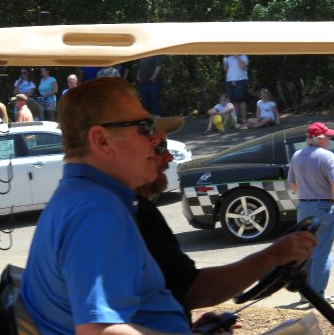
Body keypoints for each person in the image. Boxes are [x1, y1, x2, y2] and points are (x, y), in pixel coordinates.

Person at [20, 78, 194, 335]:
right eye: (145, 127)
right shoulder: (97, 212)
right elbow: (100, 331)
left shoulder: (85, 197)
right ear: (101, 140)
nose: (157, 138)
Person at [136, 117, 318, 322]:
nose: (169, 157)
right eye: (159, 147)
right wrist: (272, 256)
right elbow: (193, 290)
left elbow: (170, 293)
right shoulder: (132, 212)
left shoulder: (134, 207)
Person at [288, 122, 334, 305]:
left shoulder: (296, 156)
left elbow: (293, 185)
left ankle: (305, 294)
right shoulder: (328, 157)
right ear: (319, 139)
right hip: (324, 207)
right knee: (322, 252)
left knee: (306, 251)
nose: (329, 139)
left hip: (304, 208)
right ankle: (317, 296)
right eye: (327, 136)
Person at [223, 55, 249, 125]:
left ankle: (244, 118)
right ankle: (237, 119)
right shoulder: (228, 58)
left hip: (240, 80)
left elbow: (243, 67)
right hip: (229, 80)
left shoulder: (244, 56)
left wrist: (237, 57)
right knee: (233, 100)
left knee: (241, 99)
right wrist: (225, 62)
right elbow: (225, 69)